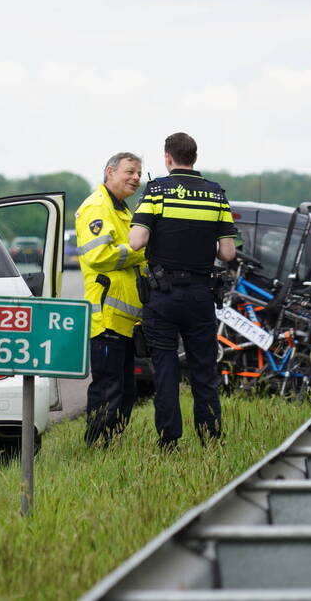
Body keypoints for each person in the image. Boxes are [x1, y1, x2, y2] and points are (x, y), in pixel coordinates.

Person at [129, 133, 236, 450]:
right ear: (194, 158)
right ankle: (211, 437)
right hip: (201, 295)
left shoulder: (158, 190)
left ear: (168, 157)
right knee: (204, 369)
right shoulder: (217, 195)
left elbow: (137, 241)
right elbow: (228, 252)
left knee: (165, 370)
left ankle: (169, 440)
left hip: (163, 296)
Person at [75, 152, 147, 447]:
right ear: (110, 172)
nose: (136, 178)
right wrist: (141, 253)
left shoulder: (124, 211)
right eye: (130, 171)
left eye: (138, 173)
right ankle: (96, 447)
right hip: (106, 319)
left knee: (126, 391)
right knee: (108, 389)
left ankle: (113, 445)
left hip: (126, 321)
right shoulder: (96, 207)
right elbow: (99, 256)